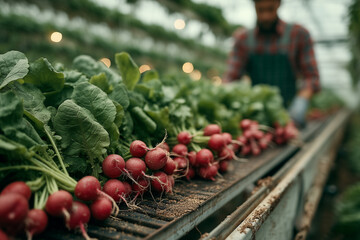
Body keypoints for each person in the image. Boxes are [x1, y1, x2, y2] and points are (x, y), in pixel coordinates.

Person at [224, 0, 321, 128]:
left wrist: (300, 104)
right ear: (254, 6)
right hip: (256, 117)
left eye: (270, 9)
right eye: (260, 10)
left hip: (289, 115)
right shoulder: (243, 39)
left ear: (279, 4)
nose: (265, 16)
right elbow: (231, 77)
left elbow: (311, 77)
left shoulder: (299, 35)